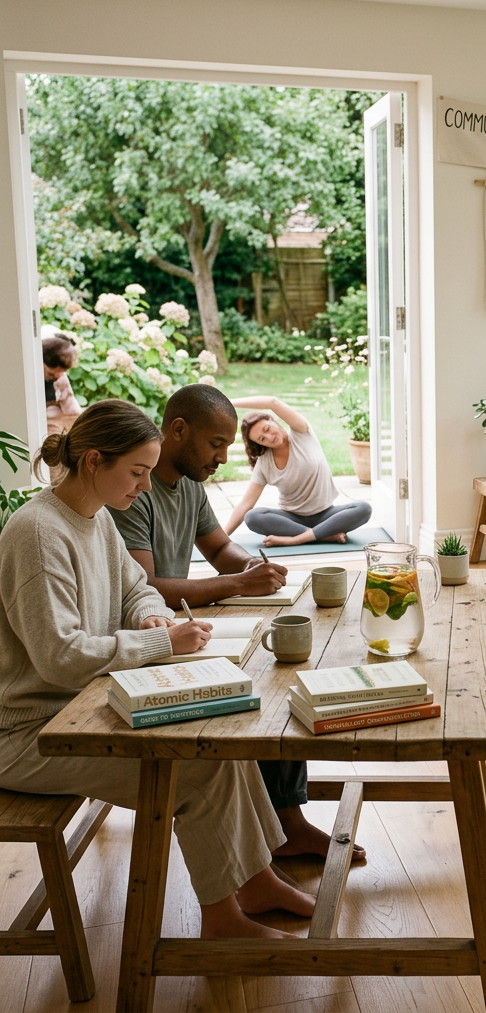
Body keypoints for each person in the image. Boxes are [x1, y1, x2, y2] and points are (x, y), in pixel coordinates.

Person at [0, 399, 316, 939]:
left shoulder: (94, 517)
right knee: (197, 767)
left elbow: (135, 586)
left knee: (221, 740)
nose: (146, 486)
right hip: (31, 734)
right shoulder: (37, 532)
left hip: (85, 706)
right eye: (138, 472)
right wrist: (158, 643)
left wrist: (148, 611)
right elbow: (59, 656)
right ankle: (222, 920)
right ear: (95, 461)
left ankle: (256, 881)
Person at [107, 385, 361, 863]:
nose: (225, 456)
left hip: (182, 623)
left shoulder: (188, 485)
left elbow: (220, 549)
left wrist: (250, 568)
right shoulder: (133, 492)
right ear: (178, 431)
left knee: (284, 675)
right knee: (262, 686)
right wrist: (237, 586)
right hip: (150, 633)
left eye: (226, 445)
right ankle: (279, 826)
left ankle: (285, 822)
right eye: (216, 443)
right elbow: (146, 588)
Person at [224, 396, 371, 547]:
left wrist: (228, 402)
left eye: (267, 429)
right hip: (291, 519)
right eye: (262, 439)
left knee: (363, 509)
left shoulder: (301, 432)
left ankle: (297, 539)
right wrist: (222, 537)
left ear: (272, 420)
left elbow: (272, 402)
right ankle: (324, 535)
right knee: (252, 517)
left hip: (326, 515)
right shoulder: (264, 462)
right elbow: (246, 504)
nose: (269, 437)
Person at [41, 333, 83, 436]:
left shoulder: (60, 379)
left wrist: (63, 386)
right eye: (51, 373)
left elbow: (73, 411)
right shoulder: (35, 380)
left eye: (62, 372)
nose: (56, 376)